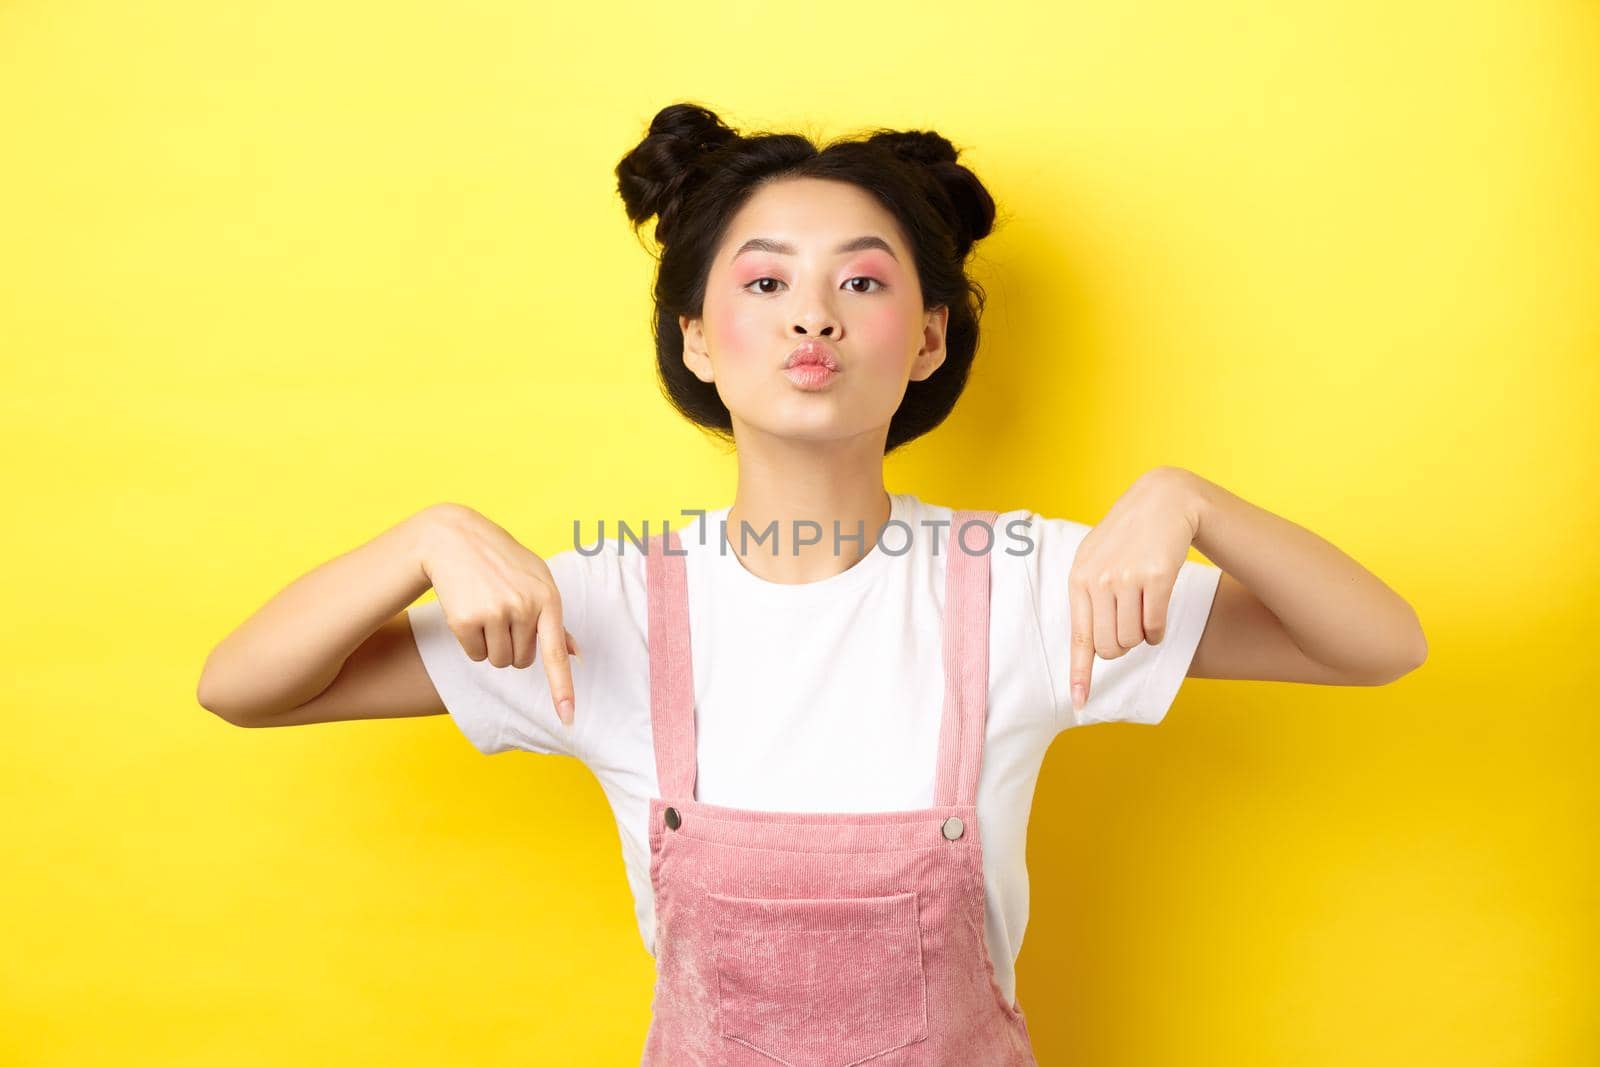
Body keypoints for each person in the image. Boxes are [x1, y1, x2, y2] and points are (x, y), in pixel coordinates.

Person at [197, 102, 1428, 1064]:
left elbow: (1378, 642)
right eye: (766, 280)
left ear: (931, 337)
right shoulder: (606, 607)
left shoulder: (1029, 585)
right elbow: (244, 687)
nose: (815, 318)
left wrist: (1187, 500)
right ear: (694, 336)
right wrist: (427, 534)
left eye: (864, 279)